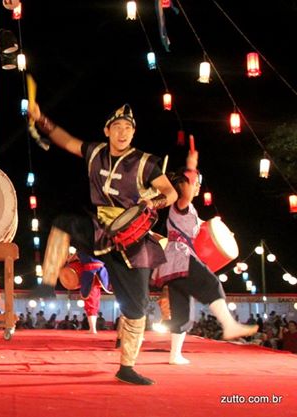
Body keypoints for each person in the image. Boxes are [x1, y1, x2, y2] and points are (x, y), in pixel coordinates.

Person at [29, 102, 178, 385]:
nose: (123, 133)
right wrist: (41, 120)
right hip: (100, 230)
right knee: (64, 222)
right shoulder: (96, 152)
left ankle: (127, 367)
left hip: (133, 240)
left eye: (128, 128)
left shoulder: (146, 162)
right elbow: (68, 141)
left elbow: (169, 193)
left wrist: (153, 201)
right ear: (107, 130)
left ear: (133, 133)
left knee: (136, 308)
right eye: (118, 127)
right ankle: (47, 283)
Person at [151, 150, 257, 365]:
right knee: (211, 282)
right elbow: (187, 195)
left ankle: (175, 355)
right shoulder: (180, 204)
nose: (197, 186)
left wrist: (226, 234)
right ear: (182, 185)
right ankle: (229, 325)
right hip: (180, 256)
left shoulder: (188, 210)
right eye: (194, 182)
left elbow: (205, 228)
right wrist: (191, 165)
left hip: (173, 262)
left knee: (181, 308)